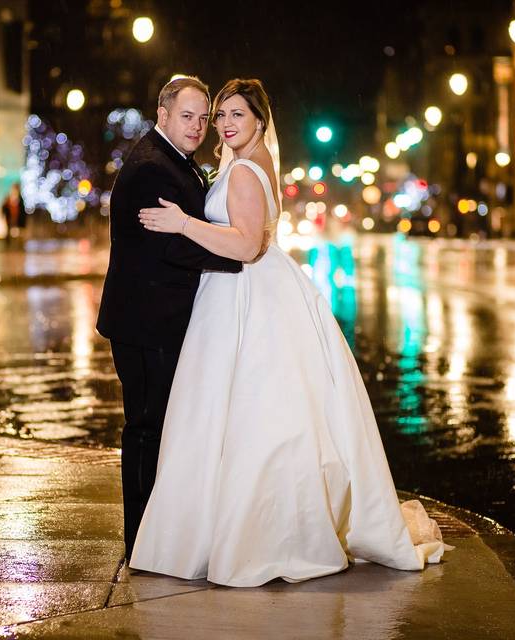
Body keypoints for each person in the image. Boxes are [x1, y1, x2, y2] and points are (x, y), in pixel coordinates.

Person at [132, 79, 453, 587]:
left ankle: (254, 535)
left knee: (245, 415)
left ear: (260, 119)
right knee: (253, 414)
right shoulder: (253, 163)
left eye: (237, 115)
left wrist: (182, 223)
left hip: (246, 293)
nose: (225, 125)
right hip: (252, 291)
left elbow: (244, 247)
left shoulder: (242, 172)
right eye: (220, 117)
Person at [96, 77, 243, 560]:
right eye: (188, 116)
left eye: (204, 118)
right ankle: (139, 538)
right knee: (146, 428)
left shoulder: (173, 162)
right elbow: (170, 247)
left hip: (158, 319)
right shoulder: (150, 169)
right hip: (146, 323)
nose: (199, 126)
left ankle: (158, 533)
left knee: (160, 427)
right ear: (162, 114)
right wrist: (241, 257)